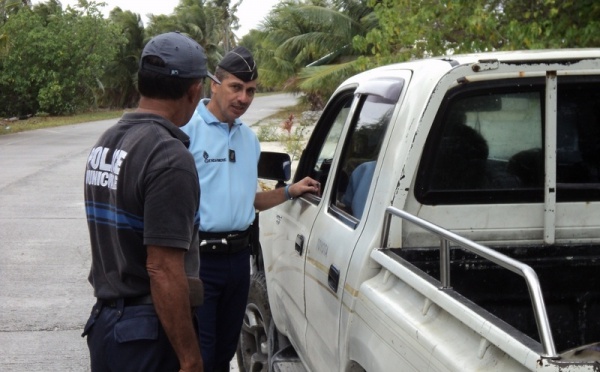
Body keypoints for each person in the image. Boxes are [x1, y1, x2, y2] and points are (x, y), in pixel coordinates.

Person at [82, 31, 220, 372]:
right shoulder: (168, 155)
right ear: (194, 91)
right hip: (146, 333)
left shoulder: (108, 141)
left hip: (109, 325)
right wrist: (190, 359)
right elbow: (162, 269)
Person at [181, 46, 320, 372]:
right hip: (199, 262)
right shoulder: (186, 133)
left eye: (251, 91)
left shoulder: (248, 140)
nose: (243, 98)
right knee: (201, 356)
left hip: (238, 262)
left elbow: (249, 202)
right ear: (214, 84)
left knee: (228, 350)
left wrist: (289, 191)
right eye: (236, 87)